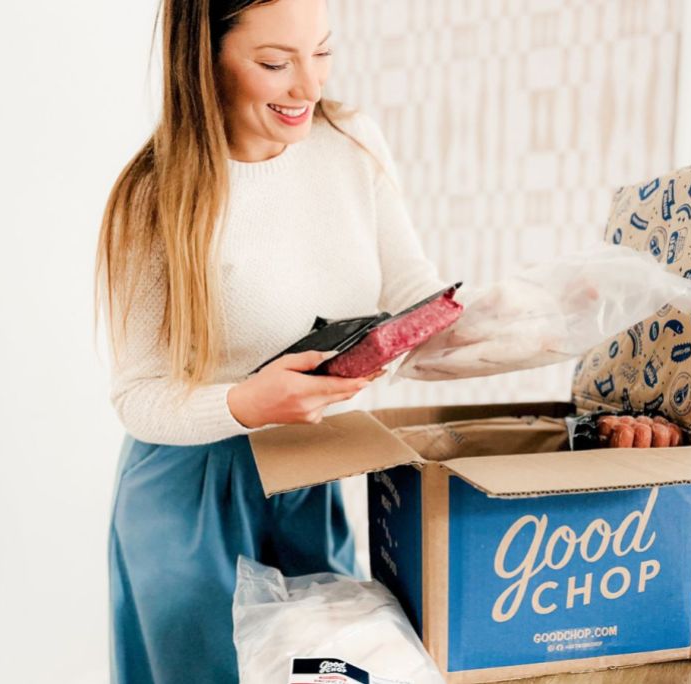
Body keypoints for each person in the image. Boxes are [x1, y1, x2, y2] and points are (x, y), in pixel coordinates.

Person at [93, 0, 448, 682]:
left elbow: (415, 297)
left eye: (323, 52)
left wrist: (538, 316)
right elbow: (137, 395)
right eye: (275, 63)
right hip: (187, 494)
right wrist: (246, 404)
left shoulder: (351, 142)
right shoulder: (153, 197)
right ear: (204, 59)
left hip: (305, 469)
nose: (310, 88)